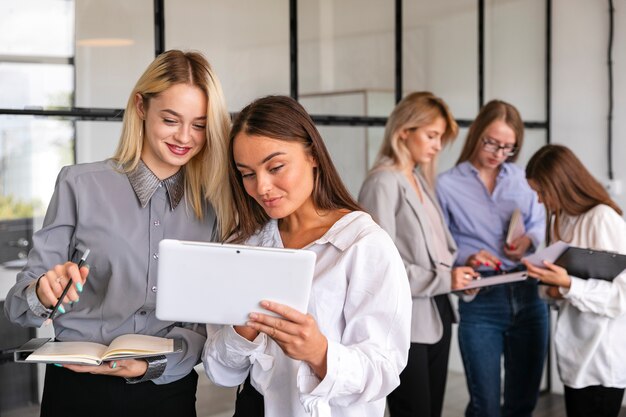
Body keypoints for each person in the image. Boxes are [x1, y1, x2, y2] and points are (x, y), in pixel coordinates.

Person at [4, 49, 234, 417]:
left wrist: (150, 366)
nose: (184, 137)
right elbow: (18, 307)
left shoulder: (214, 208)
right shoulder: (79, 185)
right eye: (171, 119)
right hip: (77, 391)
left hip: (167, 392)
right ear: (141, 107)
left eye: (200, 125)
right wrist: (43, 293)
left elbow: (208, 325)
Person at [202, 95, 412, 417]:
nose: (262, 187)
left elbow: (385, 368)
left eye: (275, 167)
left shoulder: (363, 245)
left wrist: (320, 352)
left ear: (312, 155)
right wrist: (242, 332)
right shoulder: (244, 245)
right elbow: (221, 372)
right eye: (247, 174)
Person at [358, 92, 477, 417]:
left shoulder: (419, 179)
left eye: (441, 138)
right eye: (432, 135)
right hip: (405, 322)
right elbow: (381, 270)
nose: (438, 146)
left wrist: (460, 273)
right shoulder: (383, 182)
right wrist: (445, 278)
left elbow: (439, 249)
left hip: (437, 311)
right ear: (404, 131)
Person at [436, 100, 548, 417]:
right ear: (477, 134)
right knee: (484, 406)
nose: (499, 154)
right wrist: (468, 256)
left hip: (528, 291)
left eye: (508, 148)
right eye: (492, 143)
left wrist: (528, 239)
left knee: (522, 403)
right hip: (481, 298)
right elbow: (440, 242)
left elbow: (539, 222)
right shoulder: (446, 184)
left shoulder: (523, 179)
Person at [522, 144, 626, 417]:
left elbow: (622, 297)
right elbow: (561, 287)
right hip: (575, 359)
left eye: (542, 192)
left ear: (562, 184)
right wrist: (552, 287)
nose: (541, 202)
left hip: (600, 362)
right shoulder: (564, 220)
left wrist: (568, 285)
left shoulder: (602, 219)